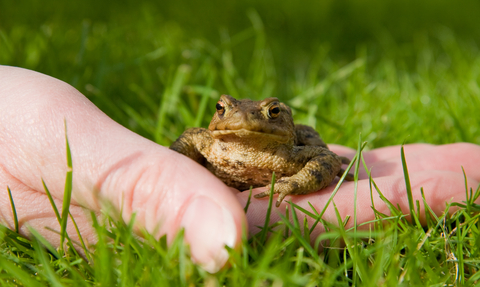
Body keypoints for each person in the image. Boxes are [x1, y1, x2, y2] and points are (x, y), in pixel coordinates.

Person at [0, 66, 479, 273]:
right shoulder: (210, 140)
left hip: (281, 160)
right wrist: (170, 169)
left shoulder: (293, 145)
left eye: (271, 112)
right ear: (219, 113)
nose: (244, 119)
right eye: (226, 109)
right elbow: (188, 139)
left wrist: (293, 182)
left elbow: (323, 159)